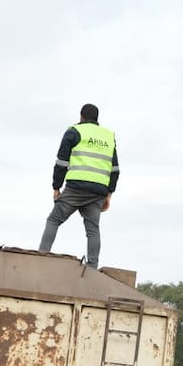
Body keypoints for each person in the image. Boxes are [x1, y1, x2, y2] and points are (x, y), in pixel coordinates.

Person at [38, 103, 119, 268]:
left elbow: (61, 162)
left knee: (54, 220)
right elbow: (115, 169)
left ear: (81, 117)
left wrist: (56, 187)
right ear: (97, 119)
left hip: (76, 187)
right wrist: (109, 193)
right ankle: (92, 268)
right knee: (93, 230)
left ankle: (42, 257)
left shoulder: (74, 131)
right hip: (98, 191)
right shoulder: (108, 136)